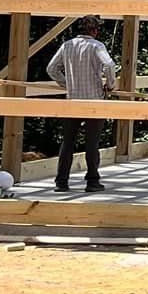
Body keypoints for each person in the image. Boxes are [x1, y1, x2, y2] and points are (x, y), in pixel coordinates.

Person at [47, 15, 117, 194]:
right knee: (92, 143)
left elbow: (51, 68)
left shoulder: (67, 45)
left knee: (68, 142)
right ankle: (92, 181)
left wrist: (66, 83)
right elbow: (109, 65)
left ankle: (61, 182)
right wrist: (110, 85)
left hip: (72, 100)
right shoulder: (96, 46)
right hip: (93, 100)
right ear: (94, 30)